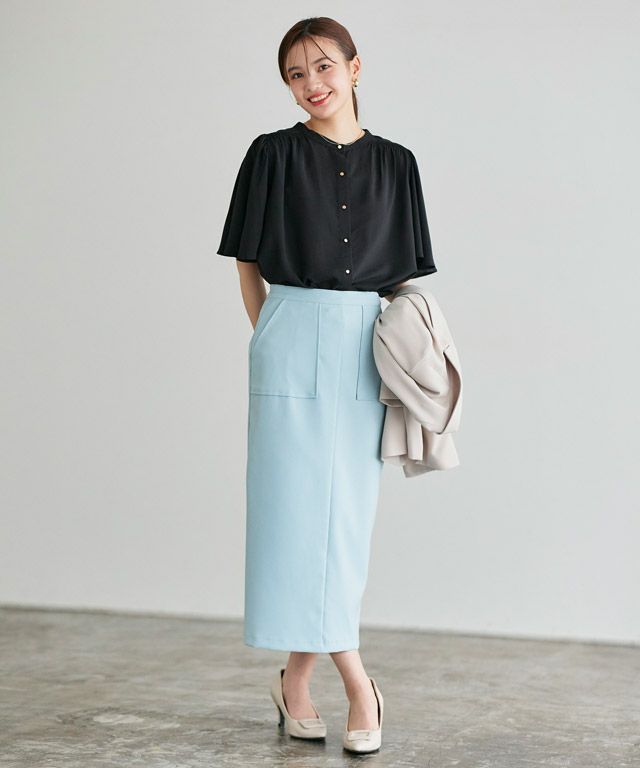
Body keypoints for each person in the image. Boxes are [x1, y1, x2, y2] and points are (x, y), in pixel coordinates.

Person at [216, 16, 437, 754]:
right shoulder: (270, 154)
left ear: (355, 67)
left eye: (323, 66)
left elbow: (401, 279)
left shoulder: (398, 164)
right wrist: (271, 338)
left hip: (362, 345)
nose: (312, 84)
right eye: (295, 73)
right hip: (287, 332)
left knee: (341, 521)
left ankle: (299, 681)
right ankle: (357, 683)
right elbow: (247, 261)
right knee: (289, 518)